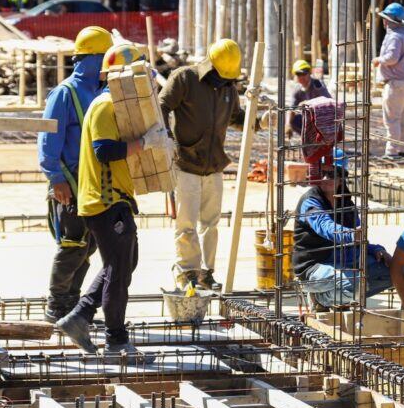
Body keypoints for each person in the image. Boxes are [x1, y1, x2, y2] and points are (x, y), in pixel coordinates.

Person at [56, 43, 167, 358]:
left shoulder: (111, 104)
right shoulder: (105, 105)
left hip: (112, 200)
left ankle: (79, 317)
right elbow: (105, 150)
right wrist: (145, 142)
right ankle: (116, 339)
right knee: (118, 272)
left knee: (122, 263)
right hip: (105, 201)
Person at [159, 38, 262, 290]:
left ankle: (206, 272)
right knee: (186, 225)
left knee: (210, 225)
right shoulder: (185, 79)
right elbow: (161, 105)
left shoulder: (227, 87)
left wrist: (258, 121)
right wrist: (166, 139)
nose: (224, 81)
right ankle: (187, 272)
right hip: (185, 164)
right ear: (211, 65)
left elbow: (236, 118)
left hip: (214, 166)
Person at [37, 26, 113, 323]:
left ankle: (71, 302)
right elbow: (48, 139)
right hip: (69, 184)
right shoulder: (65, 93)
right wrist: (55, 177)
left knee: (88, 245)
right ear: (92, 58)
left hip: (93, 185)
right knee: (72, 245)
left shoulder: (100, 91)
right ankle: (57, 304)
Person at [293, 150, 394, 309]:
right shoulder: (310, 201)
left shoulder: (347, 205)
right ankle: (321, 299)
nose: (326, 178)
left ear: (341, 178)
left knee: (397, 271)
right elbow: (324, 226)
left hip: (345, 264)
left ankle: (343, 297)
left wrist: (376, 250)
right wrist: (350, 235)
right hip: (314, 268)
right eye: (323, 173)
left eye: (332, 174)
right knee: (355, 282)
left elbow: (358, 240)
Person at [371, 2, 404, 158]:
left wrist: (378, 60)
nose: (384, 22)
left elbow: (392, 58)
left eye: (385, 19)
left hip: (396, 83)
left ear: (389, 20)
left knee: (392, 119)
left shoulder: (395, 37)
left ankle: (391, 151)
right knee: (403, 117)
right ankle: (403, 149)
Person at [287, 58, 330, 138]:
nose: (302, 77)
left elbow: (327, 102)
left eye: (304, 74)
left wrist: (309, 103)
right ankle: (309, 139)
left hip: (322, 117)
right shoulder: (297, 88)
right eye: (299, 75)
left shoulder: (317, 84)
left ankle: (320, 139)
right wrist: (288, 125)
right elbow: (291, 109)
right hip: (309, 118)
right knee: (294, 120)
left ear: (309, 73)